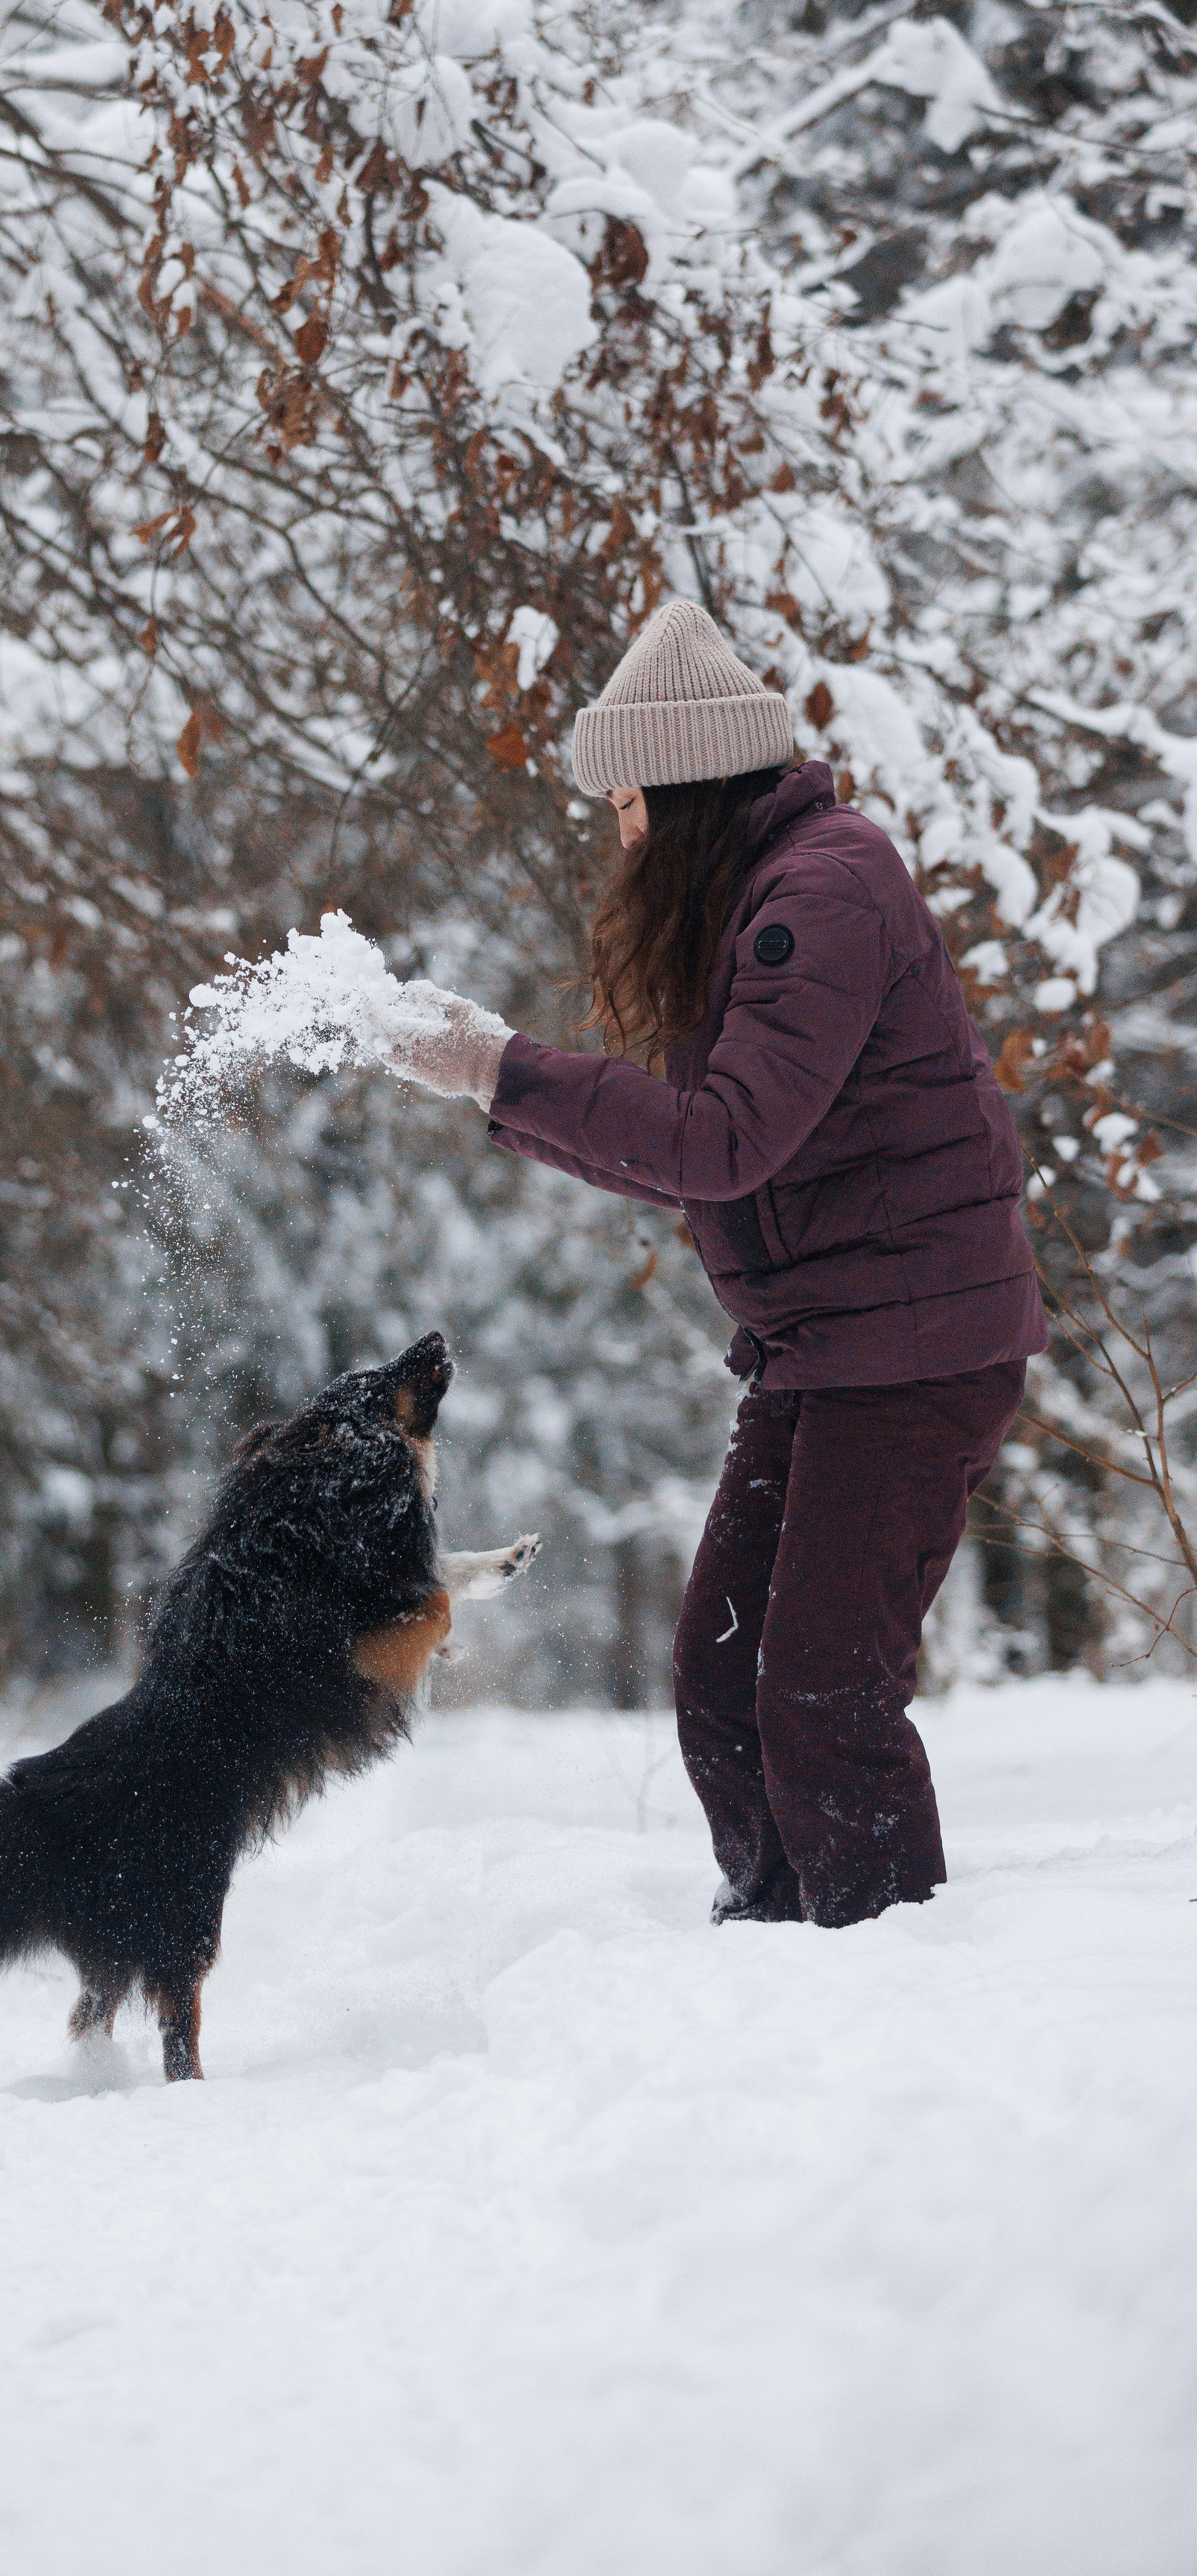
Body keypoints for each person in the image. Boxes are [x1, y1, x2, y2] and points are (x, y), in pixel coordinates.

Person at [374, 599, 1046, 1928]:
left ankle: (884, 1963)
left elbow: (723, 1140)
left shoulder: (823, 895)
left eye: (626, 801)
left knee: (820, 1691)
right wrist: (492, 1087)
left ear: (680, 791)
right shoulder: (771, 901)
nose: (621, 833)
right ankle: (778, 1940)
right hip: (834, 1345)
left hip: (911, 1351)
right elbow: (701, 1157)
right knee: (724, 1677)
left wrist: (500, 1068)